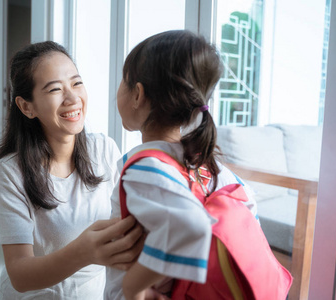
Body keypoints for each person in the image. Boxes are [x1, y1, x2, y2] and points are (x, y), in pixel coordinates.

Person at [104, 30, 258, 300]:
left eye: (123, 80)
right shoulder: (211, 168)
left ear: (137, 94)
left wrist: (135, 286)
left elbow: (190, 225)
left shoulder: (146, 167)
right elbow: (248, 215)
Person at [0, 41, 145, 300]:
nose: (72, 98)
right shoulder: (11, 171)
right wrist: (84, 252)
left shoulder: (104, 149)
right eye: (54, 89)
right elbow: (19, 274)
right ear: (27, 106)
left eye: (76, 83)